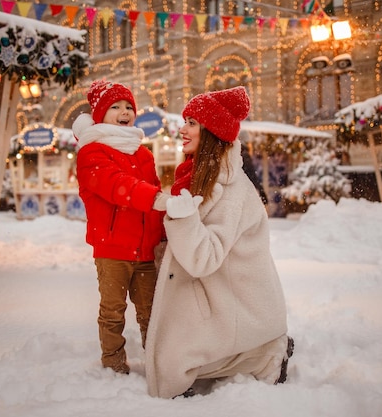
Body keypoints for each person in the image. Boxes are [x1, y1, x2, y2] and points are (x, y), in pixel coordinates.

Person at [144, 86, 293, 399]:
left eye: (192, 123)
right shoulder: (201, 175)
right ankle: (257, 349)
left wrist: (182, 217)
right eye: (184, 121)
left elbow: (203, 258)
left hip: (239, 307)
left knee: (171, 361)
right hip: (224, 297)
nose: (182, 129)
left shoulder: (231, 190)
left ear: (211, 132)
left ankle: (267, 354)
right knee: (163, 355)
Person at [72, 80, 169, 375]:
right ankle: (113, 364)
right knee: (113, 311)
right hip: (113, 248)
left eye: (129, 106)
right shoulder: (92, 152)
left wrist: (164, 235)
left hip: (146, 248)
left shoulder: (144, 154)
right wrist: (156, 198)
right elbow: (117, 186)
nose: (124, 111)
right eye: (115, 107)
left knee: (152, 312)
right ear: (100, 114)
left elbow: (155, 193)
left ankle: (158, 362)